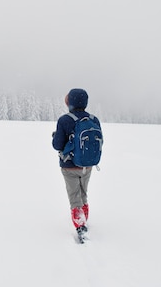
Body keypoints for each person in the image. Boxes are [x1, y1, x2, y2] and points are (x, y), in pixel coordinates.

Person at [51, 88, 101, 237]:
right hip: (88, 164)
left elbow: (57, 145)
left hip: (69, 166)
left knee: (74, 195)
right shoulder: (93, 119)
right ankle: (84, 216)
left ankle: (80, 226)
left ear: (70, 102)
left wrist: (55, 137)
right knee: (83, 192)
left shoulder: (64, 120)